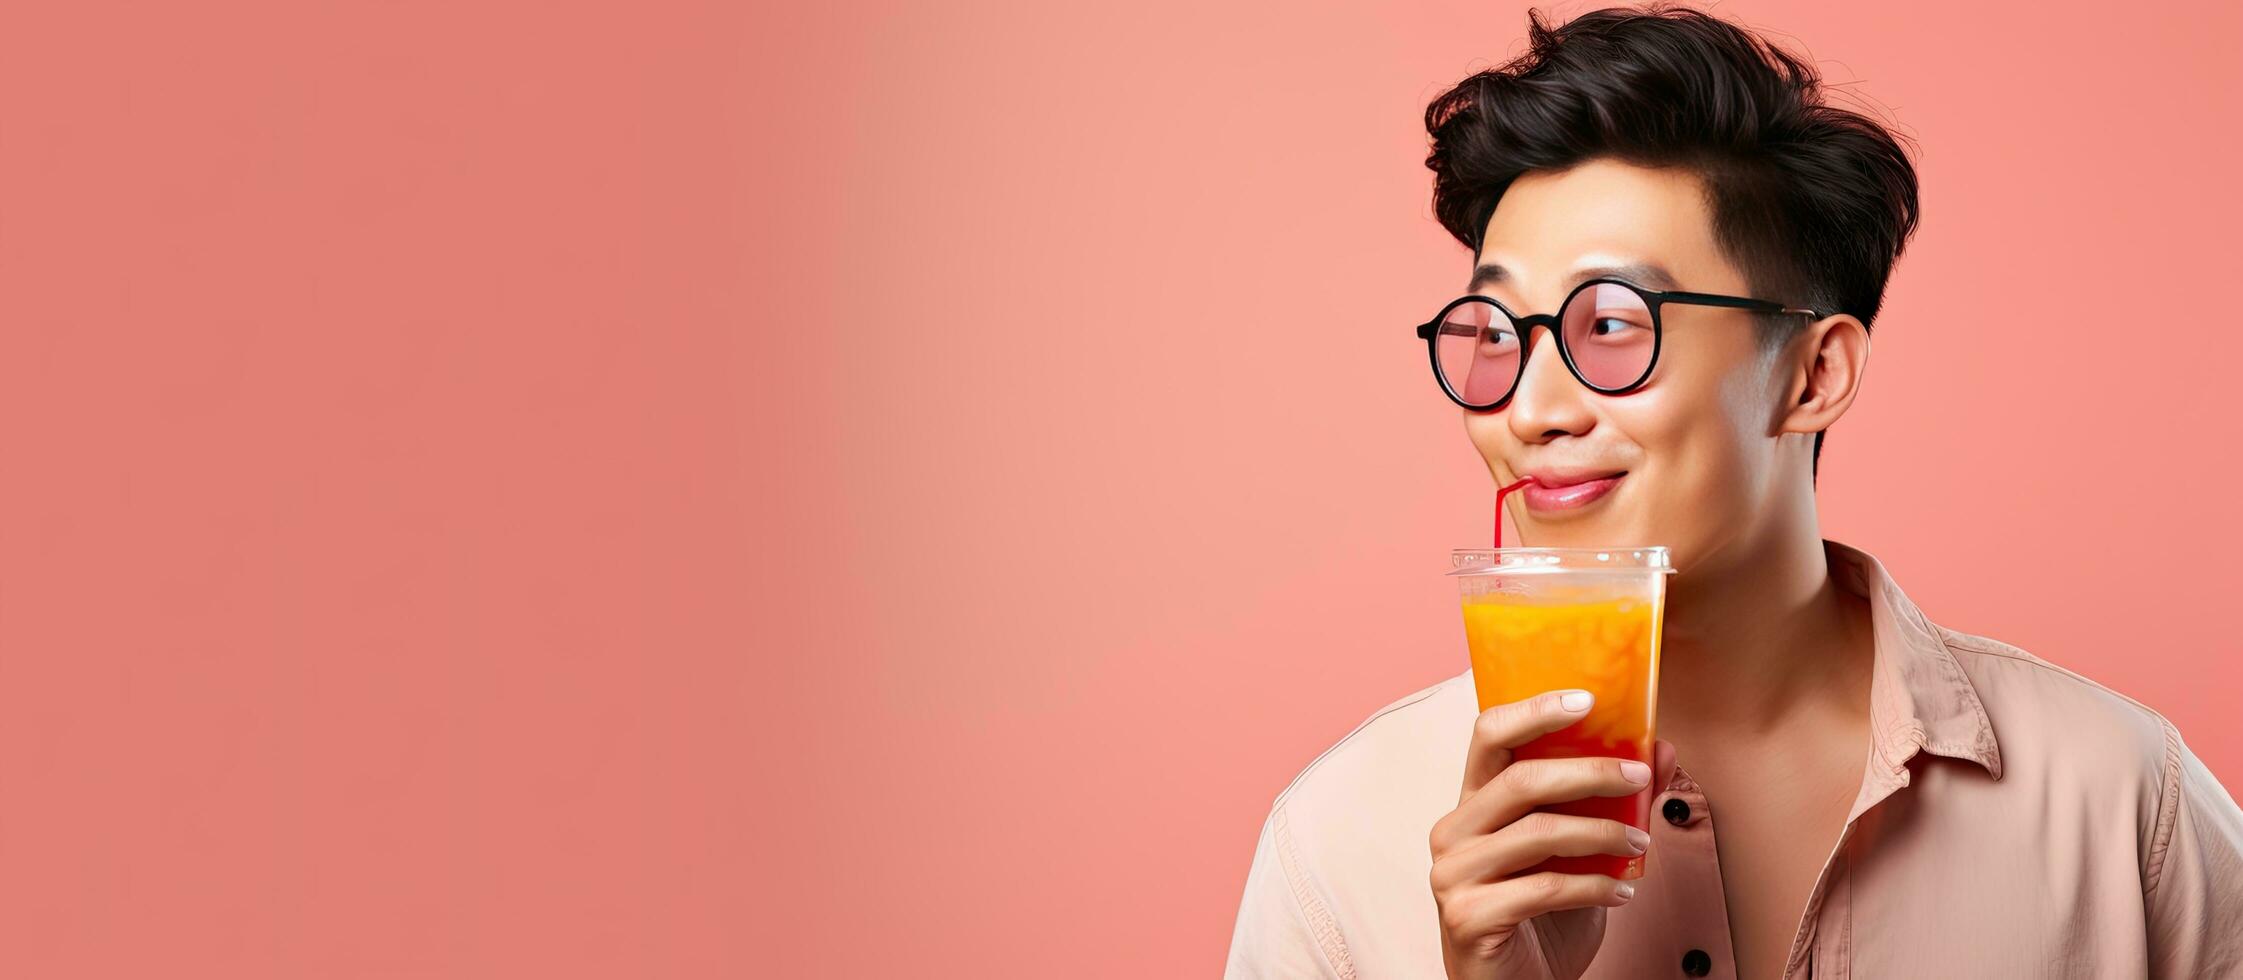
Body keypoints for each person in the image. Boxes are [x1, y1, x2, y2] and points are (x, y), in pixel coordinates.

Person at [1221, 5, 2243, 978]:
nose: (1527, 409)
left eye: (1610, 326)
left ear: (1810, 375)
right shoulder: (1340, 841)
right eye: (1492, 335)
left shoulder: (2120, 804)